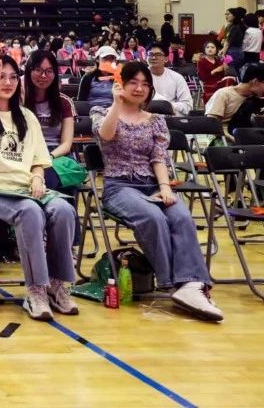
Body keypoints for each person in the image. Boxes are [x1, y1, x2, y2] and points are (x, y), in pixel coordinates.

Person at [92, 61, 223, 321]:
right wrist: (116, 104)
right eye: (133, 82)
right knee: (153, 218)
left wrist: (165, 188)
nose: (139, 88)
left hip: (152, 183)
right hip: (120, 187)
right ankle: (174, 283)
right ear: (121, 84)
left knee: (181, 216)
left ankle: (192, 284)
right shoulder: (102, 112)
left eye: (145, 84)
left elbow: (158, 159)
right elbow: (105, 136)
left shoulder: (156, 121)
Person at [0, 55, 79, 321]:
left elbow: (39, 160)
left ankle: (56, 285)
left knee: (63, 209)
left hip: (24, 188)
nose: (7, 82)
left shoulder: (27, 117)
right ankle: (36, 290)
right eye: (0, 77)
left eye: (12, 77)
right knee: (29, 211)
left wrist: (38, 178)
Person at [22, 51, 79, 192]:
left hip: (56, 154)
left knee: (54, 179)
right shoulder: (19, 100)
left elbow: (66, 144)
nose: (43, 76)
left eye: (49, 71)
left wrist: (48, 158)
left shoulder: (64, 102)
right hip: (27, 152)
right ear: (29, 71)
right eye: (38, 70)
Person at [204, 64, 264, 133]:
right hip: (227, 136)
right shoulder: (224, 94)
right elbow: (211, 124)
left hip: (252, 134)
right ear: (255, 81)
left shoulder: (256, 98)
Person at [147, 47, 193, 116]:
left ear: (166, 59)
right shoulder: (139, 77)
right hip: (145, 117)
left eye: (158, 55)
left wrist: (167, 106)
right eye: (150, 54)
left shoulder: (177, 77)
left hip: (171, 116)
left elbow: (187, 106)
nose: (153, 58)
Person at [196, 41, 231, 105]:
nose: (210, 49)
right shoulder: (201, 62)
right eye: (207, 47)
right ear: (204, 49)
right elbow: (202, 77)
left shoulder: (218, 61)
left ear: (216, 50)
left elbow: (223, 75)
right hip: (209, 85)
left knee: (230, 80)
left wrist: (225, 67)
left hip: (220, 84)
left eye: (212, 47)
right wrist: (214, 71)